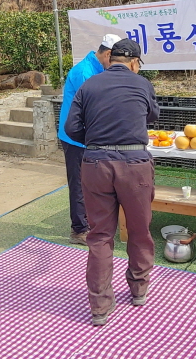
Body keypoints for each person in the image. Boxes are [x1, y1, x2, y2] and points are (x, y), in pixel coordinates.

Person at [64, 38, 159, 327]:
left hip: (95, 165)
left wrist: (97, 142)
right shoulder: (142, 84)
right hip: (135, 165)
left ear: (111, 58)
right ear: (134, 63)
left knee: (100, 236)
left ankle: (100, 307)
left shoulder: (89, 85)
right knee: (139, 230)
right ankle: (139, 290)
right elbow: (153, 117)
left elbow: (71, 128)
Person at [57, 34, 118, 245]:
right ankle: (79, 229)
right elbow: (94, 108)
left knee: (94, 182)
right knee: (79, 184)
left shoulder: (99, 69)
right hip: (75, 137)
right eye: (116, 60)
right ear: (108, 54)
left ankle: (91, 222)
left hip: (90, 136)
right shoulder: (84, 73)